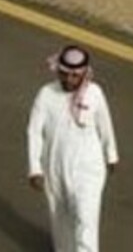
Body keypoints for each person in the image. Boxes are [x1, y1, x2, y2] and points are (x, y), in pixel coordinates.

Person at [27, 44, 119, 252]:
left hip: (89, 167)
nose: (69, 80)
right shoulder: (46, 94)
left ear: (84, 74)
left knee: (86, 217)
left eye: (74, 76)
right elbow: (34, 132)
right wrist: (34, 168)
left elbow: (105, 124)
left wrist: (111, 153)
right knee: (60, 218)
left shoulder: (95, 94)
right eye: (64, 74)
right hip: (54, 165)